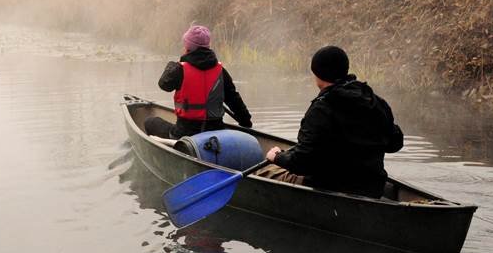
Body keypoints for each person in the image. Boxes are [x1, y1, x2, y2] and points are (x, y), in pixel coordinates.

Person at [261, 45, 404, 198]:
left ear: (316, 73)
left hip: (327, 187)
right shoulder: (375, 101)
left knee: (264, 172)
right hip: (371, 188)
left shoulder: (322, 108)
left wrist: (276, 157)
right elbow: (395, 143)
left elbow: (301, 163)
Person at [144, 25, 252, 139]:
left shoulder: (179, 70)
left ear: (187, 47)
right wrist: (246, 121)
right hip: (216, 132)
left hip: (184, 133)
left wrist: (171, 66)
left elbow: (164, 85)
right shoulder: (220, 71)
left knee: (150, 122)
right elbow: (234, 99)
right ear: (208, 46)